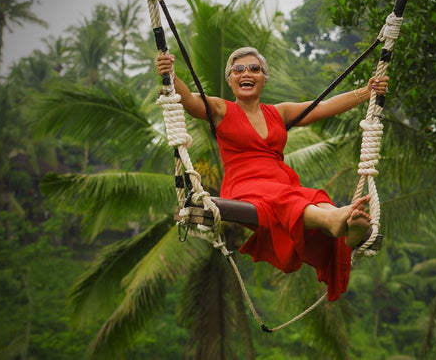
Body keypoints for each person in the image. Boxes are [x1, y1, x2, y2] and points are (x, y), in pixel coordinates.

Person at [155, 47, 389, 301]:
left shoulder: (279, 112)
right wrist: (170, 75)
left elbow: (323, 106)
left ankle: (342, 224)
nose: (247, 73)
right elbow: (189, 100)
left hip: (283, 182)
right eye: (239, 69)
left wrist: (366, 92)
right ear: (230, 80)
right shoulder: (221, 109)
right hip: (245, 188)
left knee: (313, 196)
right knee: (291, 202)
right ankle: (334, 221)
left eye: (254, 69)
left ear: (264, 78)